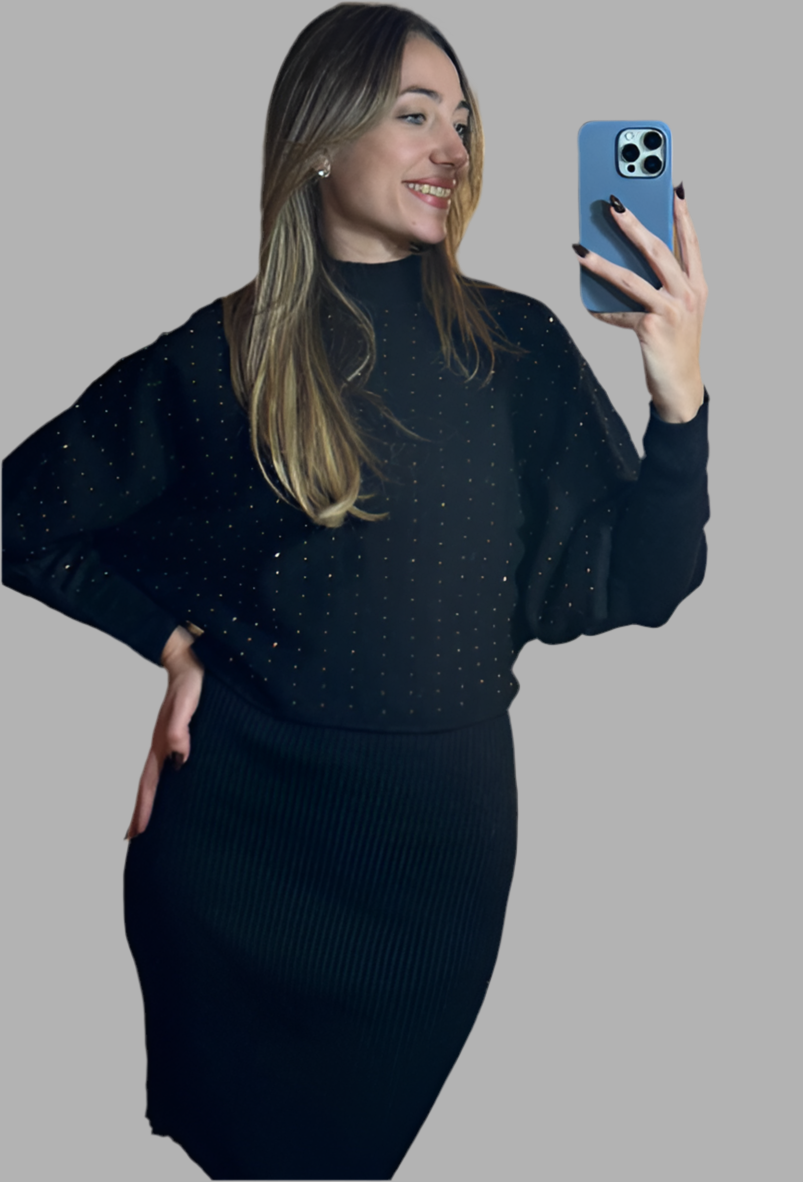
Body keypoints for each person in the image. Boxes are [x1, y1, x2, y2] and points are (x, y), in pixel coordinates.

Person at [1, 3, 709, 1178]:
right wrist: (171, 641)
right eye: (414, 114)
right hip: (233, 856)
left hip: (431, 867)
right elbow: (21, 516)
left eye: (463, 121)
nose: (452, 148)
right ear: (322, 139)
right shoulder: (220, 352)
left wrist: (676, 401)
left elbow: (646, 579)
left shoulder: (515, 346)